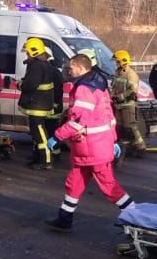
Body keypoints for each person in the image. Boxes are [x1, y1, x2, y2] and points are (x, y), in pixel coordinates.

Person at [46, 53, 134, 232]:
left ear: (80, 68)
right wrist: (112, 141)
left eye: (71, 68)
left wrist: (57, 136)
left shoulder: (83, 89)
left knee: (108, 186)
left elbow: (77, 121)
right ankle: (65, 218)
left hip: (91, 148)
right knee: (74, 182)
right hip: (93, 146)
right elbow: (109, 117)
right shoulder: (99, 85)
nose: (69, 71)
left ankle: (136, 215)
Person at [18, 37, 64, 169]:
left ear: (33, 51)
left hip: (37, 105)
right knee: (37, 133)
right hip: (39, 104)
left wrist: (20, 84)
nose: (26, 54)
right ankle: (40, 157)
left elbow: (30, 84)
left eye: (27, 52)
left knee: (40, 134)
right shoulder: (44, 65)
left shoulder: (37, 66)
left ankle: (46, 161)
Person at [109, 49, 147, 157]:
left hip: (127, 105)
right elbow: (114, 86)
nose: (116, 63)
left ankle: (141, 147)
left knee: (131, 127)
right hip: (118, 105)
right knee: (121, 127)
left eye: (117, 61)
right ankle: (126, 147)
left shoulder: (131, 74)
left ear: (122, 61)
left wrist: (120, 96)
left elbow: (132, 91)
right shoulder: (118, 73)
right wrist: (112, 95)